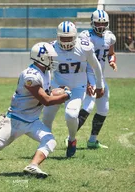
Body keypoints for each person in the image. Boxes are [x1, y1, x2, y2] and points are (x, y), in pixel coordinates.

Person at [0, 42, 72, 178]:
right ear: (42, 57)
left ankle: (33, 166)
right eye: (50, 57)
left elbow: (46, 92)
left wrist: (59, 91)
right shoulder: (30, 76)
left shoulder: (45, 72)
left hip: (32, 120)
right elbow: (46, 100)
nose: (53, 60)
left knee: (50, 140)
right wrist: (65, 96)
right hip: (15, 120)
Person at [42, 21, 104, 158]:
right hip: (57, 86)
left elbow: (96, 66)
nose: (66, 41)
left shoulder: (84, 47)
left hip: (77, 87)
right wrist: (47, 88)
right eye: (63, 38)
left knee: (71, 115)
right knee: (46, 119)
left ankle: (72, 139)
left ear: (75, 36)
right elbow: (45, 70)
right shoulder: (51, 48)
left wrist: (99, 85)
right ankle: (45, 145)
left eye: (69, 38)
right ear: (58, 37)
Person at [75, 9, 117, 149]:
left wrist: (112, 61)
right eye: (98, 23)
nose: (101, 26)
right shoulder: (85, 36)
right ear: (92, 23)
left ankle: (92, 140)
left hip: (100, 76)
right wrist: (86, 81)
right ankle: (70, 137)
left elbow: (111, 53)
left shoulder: (110, 37)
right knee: (88, 105)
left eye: (103, 23)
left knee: (103, 108)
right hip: (88, 74)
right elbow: (81, 59)